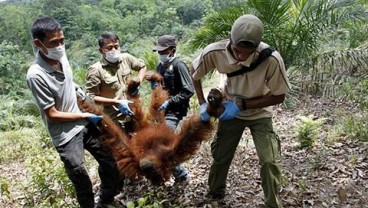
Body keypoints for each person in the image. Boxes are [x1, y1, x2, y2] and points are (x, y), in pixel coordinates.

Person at [191, 14, 290, 208]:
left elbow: (279, 96)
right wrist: (202, 102)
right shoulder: (214, 52)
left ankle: (272, 203)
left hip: (259, 114)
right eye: (237, 51)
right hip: (229, 113)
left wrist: (242, 105)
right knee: (221, 156)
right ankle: (215, 192)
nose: (241, 56)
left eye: (247, 52)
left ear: (257, 46)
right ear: (231, 41)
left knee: (269, 161)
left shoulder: (271, 60)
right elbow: (194, 73)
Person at [26, 16, 120, 208]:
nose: (60, 46)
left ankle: (105, 201)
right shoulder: (36, 75)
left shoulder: (61, 56)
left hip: (85, 124)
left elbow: (71, 84)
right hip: (65, 134)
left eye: (62, 40)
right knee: (81, 178)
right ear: (38, 43)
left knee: (111, 163)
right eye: (54, 42)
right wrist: (84, 115)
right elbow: (51, 114)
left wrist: (84, 99)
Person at [151, 35, 194, 183]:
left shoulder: (178, 65)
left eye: (164, 51)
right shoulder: (160, 66)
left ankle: (181, 175)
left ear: (172, 50)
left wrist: (170, 101)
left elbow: (189, 90)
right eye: (159, 51)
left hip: (175, 111)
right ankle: (176, 173)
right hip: (162, 111)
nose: (161, 54)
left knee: (163, 143)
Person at [85, 32, 147, 133]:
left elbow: (142, 66)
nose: (114, 50)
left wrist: (139, 80)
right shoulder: (96, 70)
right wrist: (116, 102)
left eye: (116, 47)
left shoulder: (126, 58)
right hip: (115, 121)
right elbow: (90, 97)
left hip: (134, 114)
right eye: (109, 48)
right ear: (101, 50)